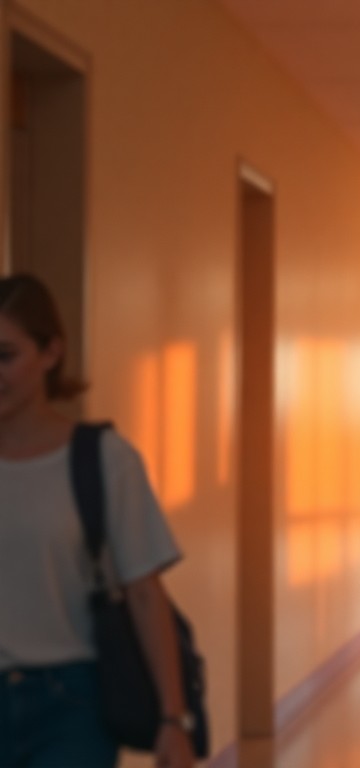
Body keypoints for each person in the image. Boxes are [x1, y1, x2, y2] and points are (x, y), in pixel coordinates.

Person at [0, 273, 195, 768]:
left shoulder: (103, 460)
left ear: (51, 354)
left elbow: (145, 593)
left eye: (6, 356)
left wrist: (173, 720)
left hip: (72, 707)